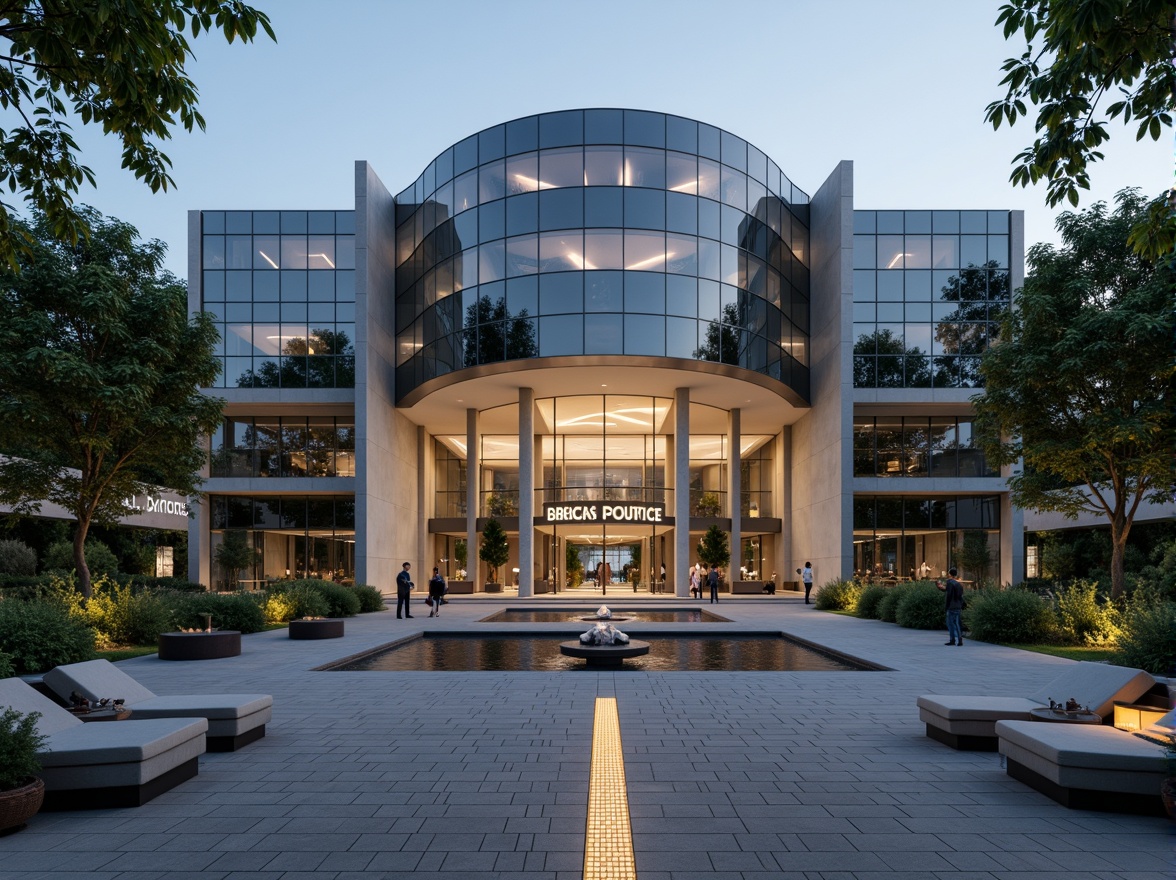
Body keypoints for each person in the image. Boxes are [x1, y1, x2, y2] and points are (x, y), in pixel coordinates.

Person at [937, 567, 964, 646]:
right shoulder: (959, 584)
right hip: (958, 605)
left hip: (951, 606)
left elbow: (949, 594)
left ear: (949, 574)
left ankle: (952, 639)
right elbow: (960, 595)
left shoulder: (949, 583)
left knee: (950, 623)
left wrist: (947, 606)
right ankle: (960, 639)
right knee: (958, 623)